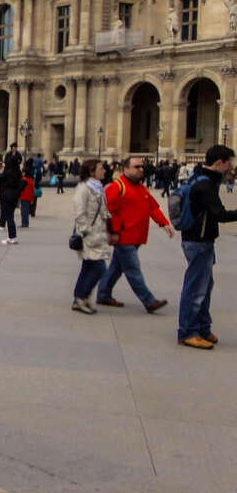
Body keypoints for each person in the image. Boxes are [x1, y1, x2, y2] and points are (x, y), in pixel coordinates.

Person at [177, 145, 237, 349]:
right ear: (219, 163)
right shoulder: (205, 186)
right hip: (198, 241)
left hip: (200, 240)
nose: (231, 167)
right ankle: (188, 332)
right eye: (229, 162)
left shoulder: (203, 179)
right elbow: (220, 214)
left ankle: (202, 327)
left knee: (204, 286)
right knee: (195, 289)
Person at [97, 156, 173, 313]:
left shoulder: (141, 188)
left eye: (142, 167)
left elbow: (152, 207)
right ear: (125, 169)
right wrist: (114, 232)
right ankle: (149, 300)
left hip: (137, 236)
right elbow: (108, 211)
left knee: (116, 268)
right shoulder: (117, 187)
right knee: (133, 269)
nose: (141, 169)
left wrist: (163, 222)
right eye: (137, 167)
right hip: (124, 237)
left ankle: (103, 294)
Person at [70, 159, 112, 314]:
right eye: (101, 169)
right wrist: (86, 230)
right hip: (89, 235)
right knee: (99, 268)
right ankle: (82, 296)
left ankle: (79, 299)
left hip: (98, 233)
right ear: (91, 171)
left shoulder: (98, 188)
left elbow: (103, 210)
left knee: (88, 267)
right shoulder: (84, 189)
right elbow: (79, 211)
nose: (105, 171)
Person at [0, 149, 24, 244]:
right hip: (14, 197)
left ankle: (12, 237)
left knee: (9, 217)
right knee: (10, 216)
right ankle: (11, 236)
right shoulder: (18, 172)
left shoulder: (8, 172)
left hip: (7, 196)